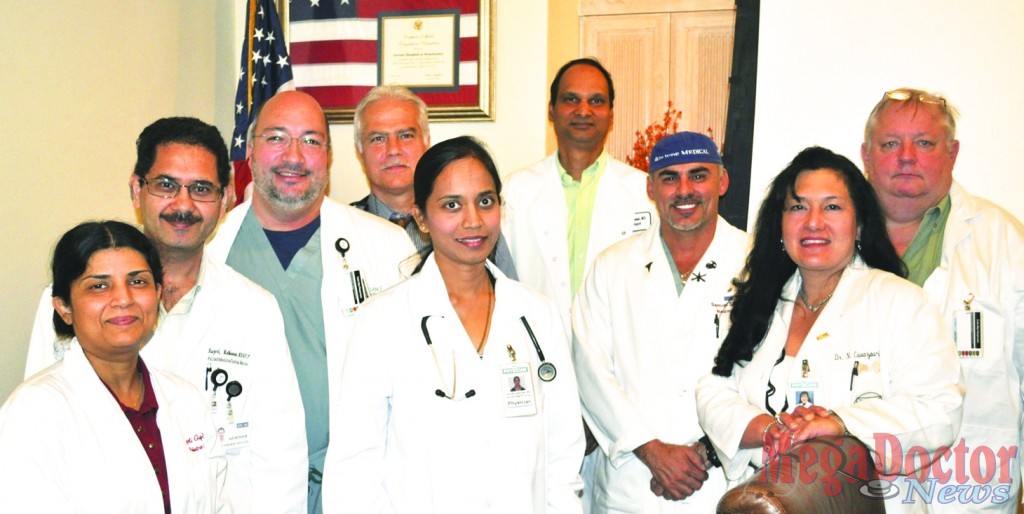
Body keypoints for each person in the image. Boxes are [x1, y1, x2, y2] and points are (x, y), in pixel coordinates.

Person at [23, 117, 307, 513]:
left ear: (225, 200)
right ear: (137, 190)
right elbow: (40, 436)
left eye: (202, 189)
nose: (183, 205)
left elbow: (280, 457)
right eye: (166, 185)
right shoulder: (75, 302)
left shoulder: (254, 308)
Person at [321, 136, 585, 513]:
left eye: (485, 201)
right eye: (451, 205)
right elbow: (355, 467)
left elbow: (564, 453)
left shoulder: (536, 315)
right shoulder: (382, 321)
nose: (473, 221)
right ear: (421, 218)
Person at [695, 147, 963, 513]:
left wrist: (840, 424)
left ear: (860, 224)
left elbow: (939, 411)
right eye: (798, 207)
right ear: (781, 223)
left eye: (832, 207)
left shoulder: (903, 302)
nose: (813, 222)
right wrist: (765, 428)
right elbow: (714, 386)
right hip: (765, 503)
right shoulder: (757, 300)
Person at [205, 90, 416, 514]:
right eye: (277, 138)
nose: (294, 156)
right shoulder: (210, 250)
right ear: (250, 148)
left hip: (359, 485)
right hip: (242, 486)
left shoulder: (387, 246)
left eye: (311, 141)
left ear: (331, 156)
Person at [861, 88, 1024, 512]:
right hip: (862, 487)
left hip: (972, 484)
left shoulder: (1006, 242)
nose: (907, 156)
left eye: (925, 143)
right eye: (891, 143)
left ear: (952, 153)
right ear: (866, 154)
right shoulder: (830, 241)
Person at [572, 132, 748, 512]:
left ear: (723, 181)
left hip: (722, 482)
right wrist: (650, 450)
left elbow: (765, 371)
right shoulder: (612, 266)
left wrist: (708, 451)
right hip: (633, 484)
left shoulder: (755, 263)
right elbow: (590, 369)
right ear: (651, 188)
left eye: (698, 175)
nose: (684, 190)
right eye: (669, 178)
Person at [0, 221, 227, 513]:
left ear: (157, 293)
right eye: (99, 286)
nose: (123, 299)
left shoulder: (186, 399)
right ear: (63, 307)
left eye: (137, 281)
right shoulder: (34, 411)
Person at [502, 58, 657, 333]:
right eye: (571, 99)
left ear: (611, 114)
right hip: (536, 343)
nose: (583, 110)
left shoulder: (646, 192)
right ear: (551, 110)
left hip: (617, 350)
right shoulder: (515, 190)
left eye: (596, 101)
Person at [350, 85, 517, 277]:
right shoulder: (341, 226)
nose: (393, 149)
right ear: (359, 151)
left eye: (405, 136)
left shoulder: (473, 228)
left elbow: (511, 299)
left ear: (426, 142)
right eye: (378, 138)